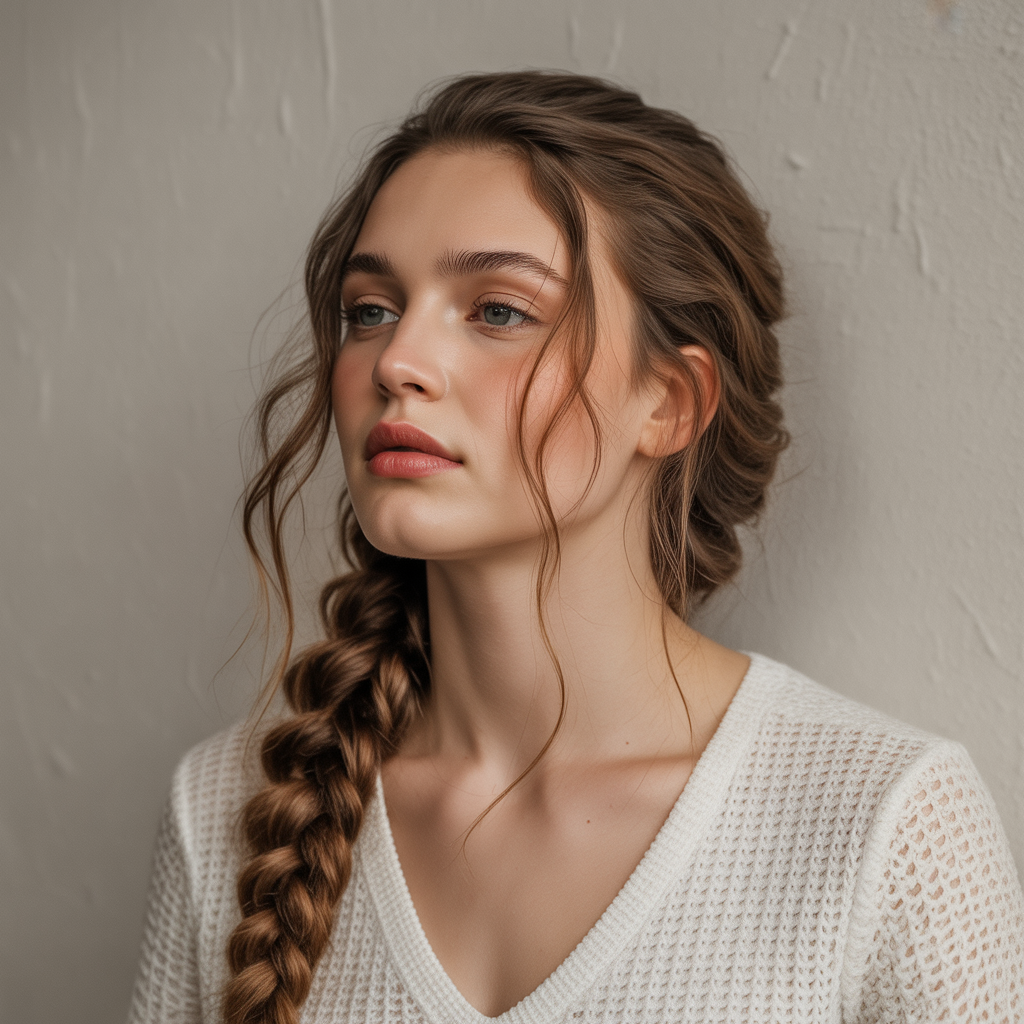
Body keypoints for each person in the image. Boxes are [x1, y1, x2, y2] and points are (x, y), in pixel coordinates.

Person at [126, 71, 1024, 1024]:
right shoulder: (228, 809)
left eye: (499, 311)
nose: (396, 363)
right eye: (371, 310)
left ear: (669, 402)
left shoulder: (886, 827)